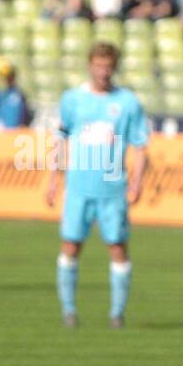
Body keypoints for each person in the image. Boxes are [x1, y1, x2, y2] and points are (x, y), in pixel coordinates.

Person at [43, 43, 149, 329]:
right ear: (90, 65)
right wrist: (54, 179)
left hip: (112, 190)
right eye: (98, 66)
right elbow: (60, 138)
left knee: (117, 248)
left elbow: (140, 146)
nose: (103, 72)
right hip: (78, 188)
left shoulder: (127, 103)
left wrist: (137, 182)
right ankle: (68, 310)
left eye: (108, 66)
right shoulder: (73, 99)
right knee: (70, 246)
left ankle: (117, 313)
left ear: (115, 68)